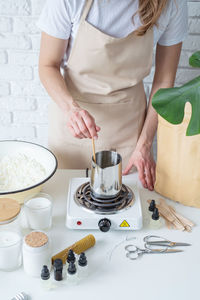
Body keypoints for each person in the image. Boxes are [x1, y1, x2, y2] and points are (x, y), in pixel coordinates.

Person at [38, 0, 188, 191]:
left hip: (130, 132)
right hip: (71, 125)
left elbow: (164, 82)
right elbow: (47, 65)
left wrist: (145, 145)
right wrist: (71, 109)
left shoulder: (171, 4)